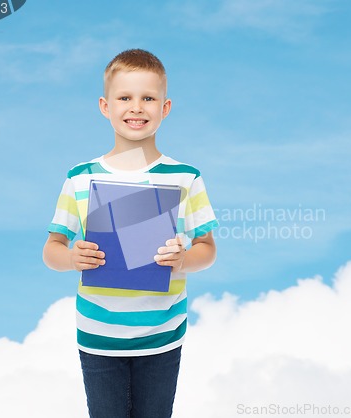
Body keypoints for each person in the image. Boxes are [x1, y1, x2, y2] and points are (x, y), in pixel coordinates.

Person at [42, 49, 219, 418]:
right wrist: (72, 257)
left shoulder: (186, 177)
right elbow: (52, 249)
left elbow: (207, 248)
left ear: (165, 107)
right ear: (105, 106)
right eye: (125, 98)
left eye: (148, 98)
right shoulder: (81, 177)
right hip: (98, 335)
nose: (136, 108)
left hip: (163, 334)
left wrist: (184, 260)